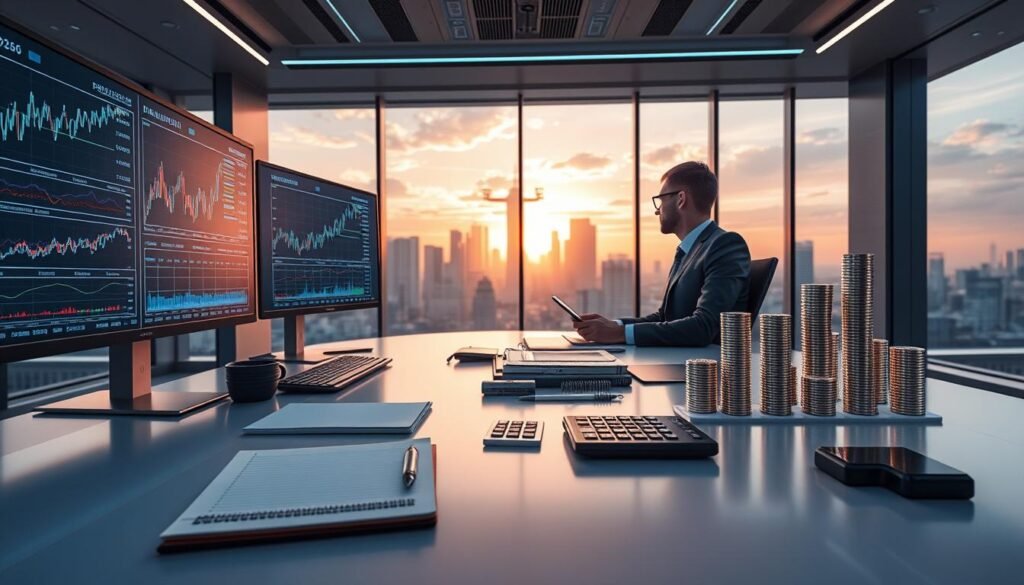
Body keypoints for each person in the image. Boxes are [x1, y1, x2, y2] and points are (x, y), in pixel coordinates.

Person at [573, 161, 751, 347]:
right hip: (677, 360)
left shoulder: (725, 245)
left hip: (702, 370)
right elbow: (665, 317)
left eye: (661, 200)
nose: (658, 210)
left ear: (681, 199)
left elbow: (704, 326)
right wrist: (614, 325)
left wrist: (619, 334)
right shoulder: (688, 250)